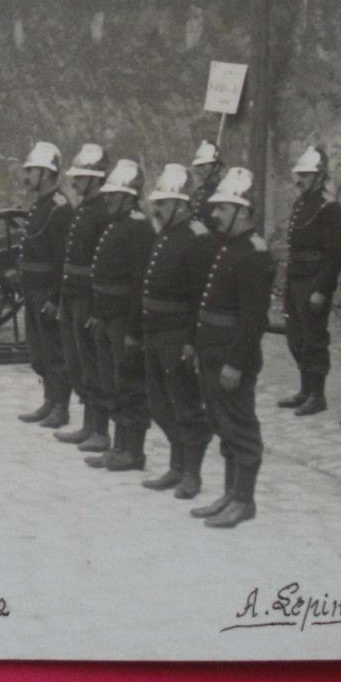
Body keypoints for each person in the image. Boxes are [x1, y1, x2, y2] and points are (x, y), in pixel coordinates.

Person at [189, 167, 274, 529]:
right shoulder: (229, 247)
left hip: (231, 355)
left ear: (243, 212)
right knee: (221, 422)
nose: (216, 214)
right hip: (212, 349)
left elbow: (252, 319)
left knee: (240, 426)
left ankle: (245, 500)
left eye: (223, 208)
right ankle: (229, 493)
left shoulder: (255, 253)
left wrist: (235, 363)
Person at [137, 164, 217, 498]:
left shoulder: (198, 238)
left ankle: (191, 473)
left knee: (185, 404)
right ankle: (176, 464)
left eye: (165, 204)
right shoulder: (166, 233)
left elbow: (203, 296)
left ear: (181, 205)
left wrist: (192, 341)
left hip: (177, 333)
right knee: (159, 403)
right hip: (155, 330)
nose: (158, 209)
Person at [86, 158, 153, 470]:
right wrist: (100, 314)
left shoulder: (139, 228)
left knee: (129, 384)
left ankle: (133, 451)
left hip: (125, 319)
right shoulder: (118, 224)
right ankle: (119, 444)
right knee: (113, 381)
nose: (107, 198)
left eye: (113, 194)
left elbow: (140, 284)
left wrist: (133, 330)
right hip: (109, 316)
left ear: (128, 197)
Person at [275, 146, 341, 416]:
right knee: (295, 336)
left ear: (319, 177)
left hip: (314, 279)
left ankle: (317, 393)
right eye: (299, 174)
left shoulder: (330, 208)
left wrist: (322, 289)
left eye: (306, 175)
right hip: (296, 276)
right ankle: (305, 389)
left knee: (313, 337)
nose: (299, 180)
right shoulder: (301, 203)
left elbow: (336, 253)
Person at [53, 144, 114, 451]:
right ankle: (89, 424)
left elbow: (103, 265)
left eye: (81, 178)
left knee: (93, 364)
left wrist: (95, 306)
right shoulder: (84, 209)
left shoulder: (103, 212)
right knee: (77, 363)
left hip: (88, 298)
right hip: (72, 294)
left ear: (97, 180)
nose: (75, 184)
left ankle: (100, 430)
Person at [15, 143, 74, 428]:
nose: (26, 176)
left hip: (46, 290)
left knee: (53, 350)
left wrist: (56, 297)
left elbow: (63, 259)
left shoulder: (59, 209)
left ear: (47, 174)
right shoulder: (40, 205)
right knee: (38, 351)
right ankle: (49, 401)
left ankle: (61, 407)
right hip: (32, 288)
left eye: (32, 171)